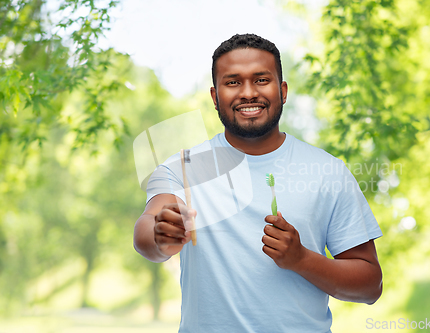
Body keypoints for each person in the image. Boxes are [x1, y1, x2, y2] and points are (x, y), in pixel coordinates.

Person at [134, 33, 383, 332]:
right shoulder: (184, 169)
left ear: (283, 90)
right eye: (233, 82)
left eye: (261, 80)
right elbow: (146, 232)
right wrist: (162, 236)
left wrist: (302, 259)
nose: (248, 92)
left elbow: (370, 285)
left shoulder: (328, 171)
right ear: (215, 97)